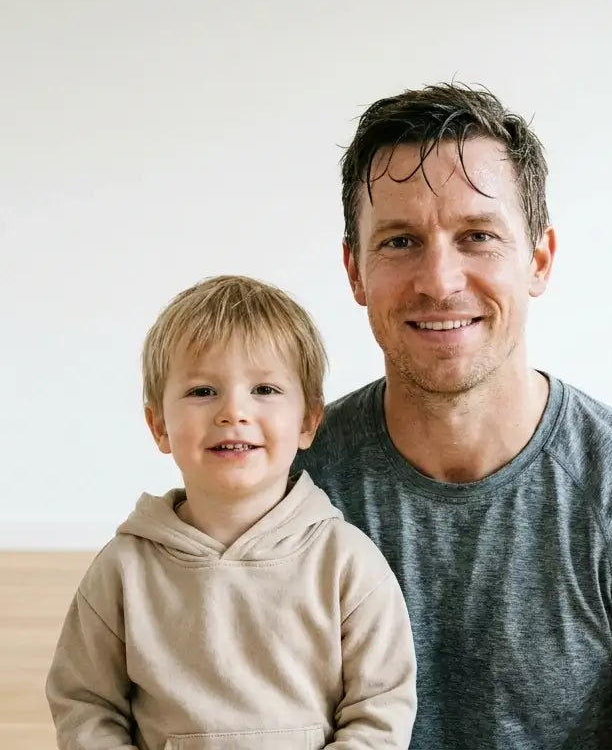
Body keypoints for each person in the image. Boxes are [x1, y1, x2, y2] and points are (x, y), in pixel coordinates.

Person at [295, 83, 612, 749]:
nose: (439, 280)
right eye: (399, 241)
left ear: (537, 259)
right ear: (353, 269)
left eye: (477, 235)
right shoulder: (287, 486)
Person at [46, 275, 417, 750]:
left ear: (308, 421)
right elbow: (85, 704)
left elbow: (382, 707)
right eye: (203, 391)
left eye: (264, 389)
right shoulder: (122, 569)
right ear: (159, 425)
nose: (233, 412)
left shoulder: (347, 562)